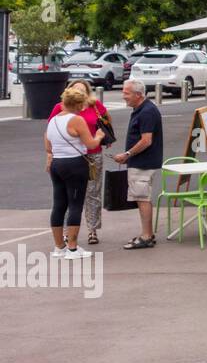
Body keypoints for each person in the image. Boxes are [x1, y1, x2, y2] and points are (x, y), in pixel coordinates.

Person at [44, 86, 107, 259]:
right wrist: (100, 136)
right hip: (75, 163)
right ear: (79, 104)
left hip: (57, 163)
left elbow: (48, 145)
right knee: (75, 204)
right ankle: (72, 247)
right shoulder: (77, 120)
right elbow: (91, 144)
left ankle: (59, 247)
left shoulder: (54, 120)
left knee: (59, 204)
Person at [115, 80, 163, 250]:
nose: (123, 96)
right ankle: (147, 234)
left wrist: (127, 154)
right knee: (142, 198)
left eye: (126, 93)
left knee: (142, 198)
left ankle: (147, 236)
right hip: (141, 161)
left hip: (143, 163)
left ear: (138, 94)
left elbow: (146, 140)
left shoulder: (146, 112)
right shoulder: (142, 109)